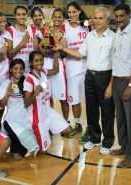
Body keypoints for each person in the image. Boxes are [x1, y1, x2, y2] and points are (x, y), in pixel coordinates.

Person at [54, 7, 115, 155]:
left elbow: (116, 64)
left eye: (101, 18)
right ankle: (95, 138)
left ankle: (107, 142)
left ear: (107, 20)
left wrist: (111, 86)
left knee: (107, 112)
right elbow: (80, 54)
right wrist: (63, 47)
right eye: (95, 17)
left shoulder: (114, 37)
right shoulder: (90, 36)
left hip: (105, 77)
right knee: (92, 110)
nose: (97, 21)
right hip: (90, 77)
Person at [110, 3, 131, 167]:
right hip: (117, 81)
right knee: (120, 118)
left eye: (122, 16)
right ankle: (123, 146)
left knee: (130, 120)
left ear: (129, 15)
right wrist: (112, 84)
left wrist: (130, 85)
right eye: (116, 16)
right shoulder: (118, 32)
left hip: (128, 82)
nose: (119, 19)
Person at [24, 50, 73, 152]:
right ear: (31, 63)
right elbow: (26, 103)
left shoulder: (43, 72)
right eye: (36, 61)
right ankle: (30, 133)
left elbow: (55, 70)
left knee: (68, 130)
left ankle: (47, 129)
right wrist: (35, 94)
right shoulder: (29, 80)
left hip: (48, 111)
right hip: (38, 117)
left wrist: (55, 55)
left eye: (41, 60)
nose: (40, 63)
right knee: (42, 151)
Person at [62, 1, 91, 142]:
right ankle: (78, 124)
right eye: (69, 12)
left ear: (79, 11)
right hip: (72, 68)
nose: (72, 14)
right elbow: (62, 48)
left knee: (91, 100)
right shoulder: (64, 28)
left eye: (74, 11)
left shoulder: (86, 26)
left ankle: (91, 126)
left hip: (88, 68)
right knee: (75, 100)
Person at [0, 59, 39, 160]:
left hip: (25, 120)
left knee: (23, 151)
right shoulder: (5, 84)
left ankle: (15, 148)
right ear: (11, 70)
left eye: (21, 68)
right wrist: (7, 94)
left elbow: (29, 103)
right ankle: (13, 149)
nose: (19, 71)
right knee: (18, 150)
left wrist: (35, 93)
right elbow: (1, 105)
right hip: (11, 121)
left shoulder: (27, 82)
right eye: (15, 68)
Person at [38, 8, 69, 120]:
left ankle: (66, 122)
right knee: (48, 96)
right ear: (51, 18)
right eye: (55, 16)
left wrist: (54, 38)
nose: (57, 19)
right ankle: (49, 121)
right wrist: (47, 35)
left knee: (63, 97)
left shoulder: (63, 33)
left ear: (63, 19)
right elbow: (40, 49)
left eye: (59, 17)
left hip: (59, 65)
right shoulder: (45, 30)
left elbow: (64, 52)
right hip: (45, 63)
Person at [4, 5, 39, 74]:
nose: (21, 17)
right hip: (16, 70)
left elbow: (36, 52)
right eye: (19, 14)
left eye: (24, 14)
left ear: (27, 15)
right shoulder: (9, 31)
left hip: (30, 69)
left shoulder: (33, 30)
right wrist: (22, 44)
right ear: (15, 16)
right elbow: (9, 55)